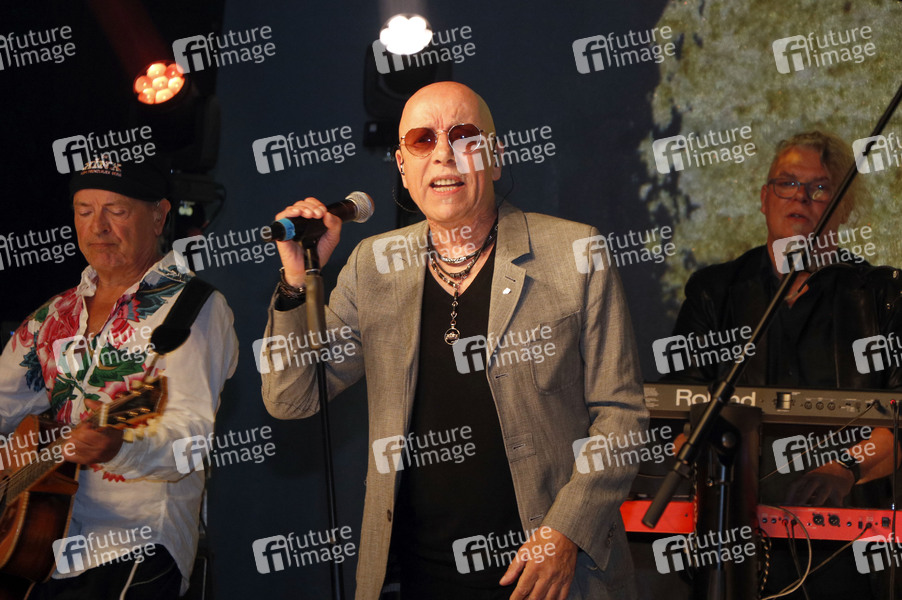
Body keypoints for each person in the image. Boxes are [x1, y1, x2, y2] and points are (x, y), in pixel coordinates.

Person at [260, 81, 647, 600]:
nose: (443, 153)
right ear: (402, 166)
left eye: (463, 136)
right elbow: (291, 397)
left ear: (495, 157)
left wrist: (566, 532)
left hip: (546, 576)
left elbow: (621, 416)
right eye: (423, 140)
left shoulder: (575, 251)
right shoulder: (374, 265)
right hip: (418, 577)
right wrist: (295, 281)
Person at [667, 130, 902, 597]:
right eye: (787, 182)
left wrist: (843, 469)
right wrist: (721, 482)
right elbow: (677, 413)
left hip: (851, 554)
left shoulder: (883, 296)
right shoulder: (715, 291)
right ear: (763, 198)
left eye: (820, 187)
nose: (800, 196)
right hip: (735, 546)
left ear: (844, 207)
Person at [0, 157, 238, 598]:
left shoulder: (192, 308)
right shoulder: (53, 314)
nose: (98, 227)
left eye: (116, 210)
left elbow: (190, 439)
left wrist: (119, 447)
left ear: (159, 216)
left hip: (133, 545)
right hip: (40, 549)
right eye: (84, 211)